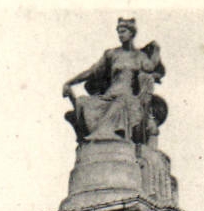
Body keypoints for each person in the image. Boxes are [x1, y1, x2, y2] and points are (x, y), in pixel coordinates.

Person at [62, 17, 166, 146]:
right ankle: (98, 137)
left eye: (123, 31)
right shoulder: (111, 54)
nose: (120, 35)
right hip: (108, 96)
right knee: (83, 102)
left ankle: (101, 135)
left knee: (120, 105)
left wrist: (156, 50)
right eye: (119, 32)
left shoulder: (139, 56)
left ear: (131, 33)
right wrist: (70, 82)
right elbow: (92, 71)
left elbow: (150, 67)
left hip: (126, 97)